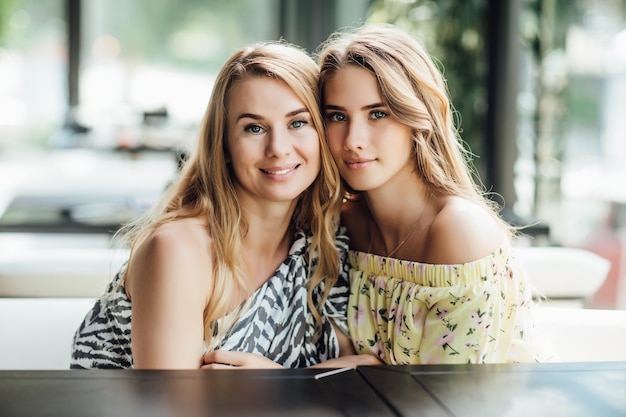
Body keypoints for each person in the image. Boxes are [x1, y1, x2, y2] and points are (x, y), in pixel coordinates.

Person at [70, 40, 376, 369]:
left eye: (298, 123)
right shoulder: (178, 250)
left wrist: (284, 387)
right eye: (254, 128)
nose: (278, 148)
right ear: (225, 146)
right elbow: (171, 407)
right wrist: (299, 387)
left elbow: (363, 372)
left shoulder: (324, 243)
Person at [317, 23, 553, 364]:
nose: (353, 139)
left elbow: (453, 402)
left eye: (378, 114)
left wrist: (363, 370)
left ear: (418, 116)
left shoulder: (458, 230)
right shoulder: (342, 224)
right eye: (337, 116)